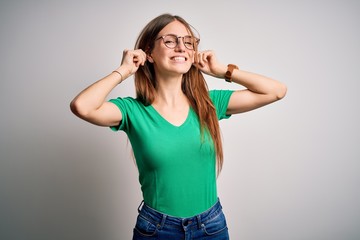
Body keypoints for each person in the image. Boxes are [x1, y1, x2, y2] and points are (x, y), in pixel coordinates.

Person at [70, 13, 286, 240]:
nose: (181, 47)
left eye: (188, 42)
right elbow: (82, 106)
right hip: (157, 230)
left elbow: (276, 91)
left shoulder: (209, 104)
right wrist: (124, 70)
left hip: (210, 226)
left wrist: (224, 71)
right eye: (170, 41)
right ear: (149, 53)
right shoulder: (132, 111)